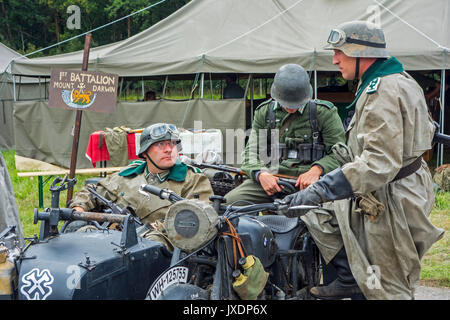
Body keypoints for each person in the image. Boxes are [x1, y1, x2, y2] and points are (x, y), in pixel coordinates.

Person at [283, 21, 444, 300]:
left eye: (340, 53)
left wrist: (322, 188)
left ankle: (361, 281)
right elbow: (364, 146)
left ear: (360, 53)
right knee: (316, 212)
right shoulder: (385, 81)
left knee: (387, 286)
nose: (334, 60)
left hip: (393, 197)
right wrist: (318, 180)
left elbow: (379, 161)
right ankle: (350, 277)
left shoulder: (383, 90)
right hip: (382, 187)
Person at [224, 64, 346, 204]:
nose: (291, 108)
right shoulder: (264, 113)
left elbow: (340, 154)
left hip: (311, 184)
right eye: (286, 103)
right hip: (271, 180)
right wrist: (261, 174)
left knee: (325, 218)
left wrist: (317, 169)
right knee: (228, 205)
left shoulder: (324, 113)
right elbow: (251, 152)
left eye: (296, 103)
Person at [70, 123, 214, 240]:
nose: (169, 150)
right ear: (145, 152)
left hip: (163, 245)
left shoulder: (192, 179)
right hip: (114, 239)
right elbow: (92, 191)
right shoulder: (127, 175)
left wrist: (151, 229)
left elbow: (197, 216)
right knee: (79, 229)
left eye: (172, 144)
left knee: (152, 242)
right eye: (160, 144)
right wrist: (79, 209)